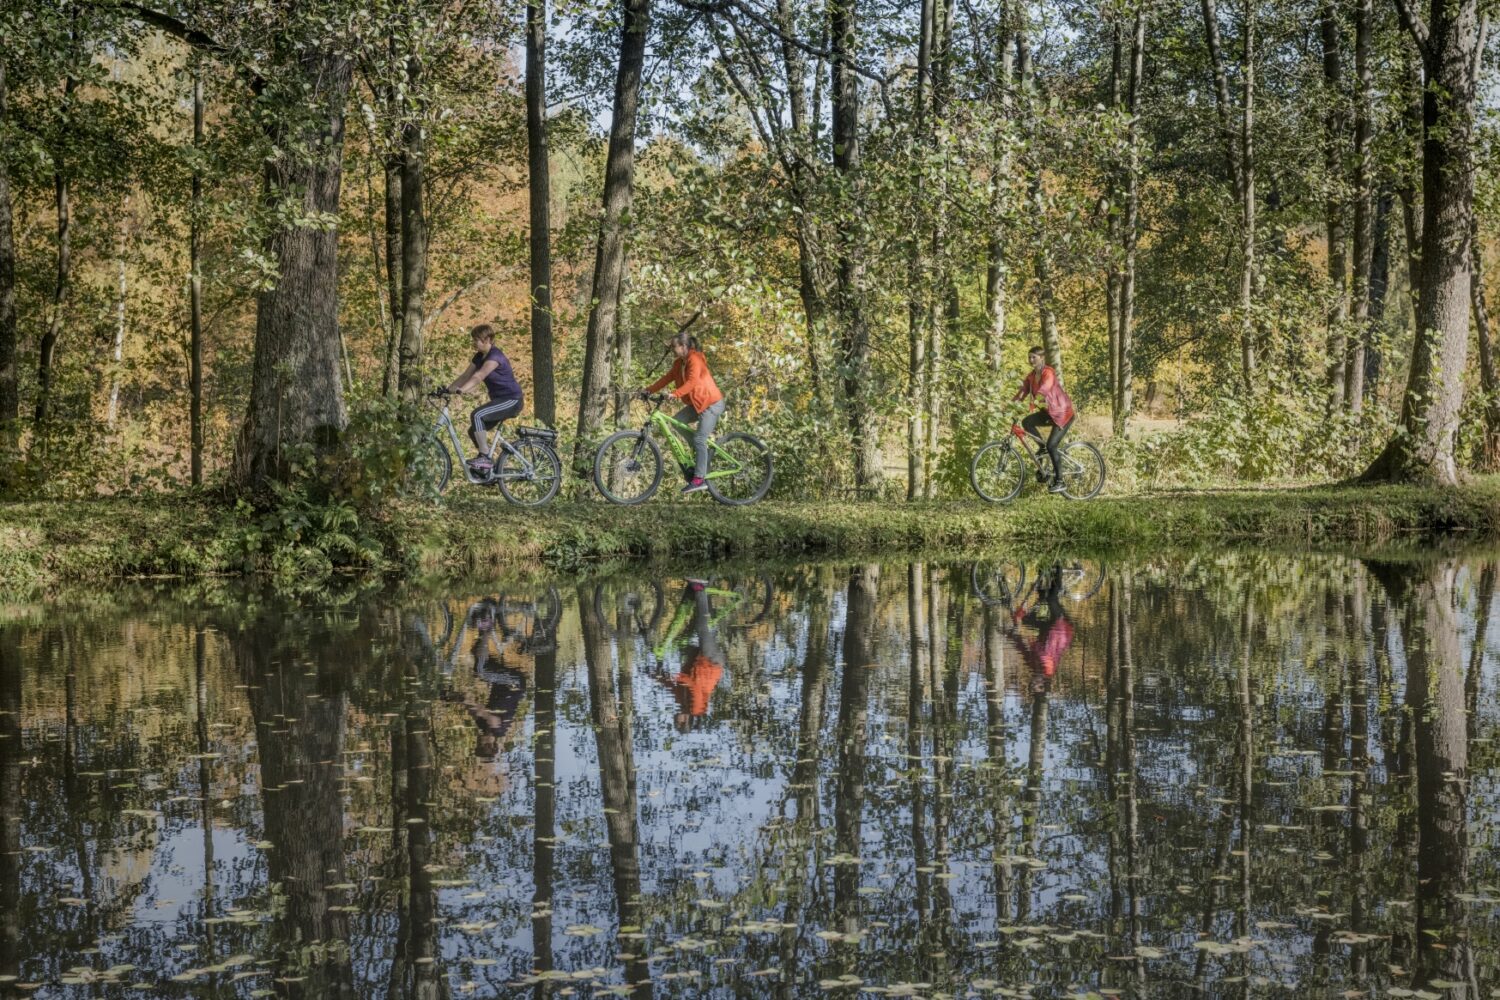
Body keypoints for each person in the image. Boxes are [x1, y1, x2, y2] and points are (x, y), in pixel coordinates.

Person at [640, 332, 724, 495]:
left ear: (684, 346)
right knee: (677, 421)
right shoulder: (679, 363)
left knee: (700, 438)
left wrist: (675, 394)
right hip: (697, 404)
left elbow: (693, 382)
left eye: (674, 346)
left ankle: (699, 479)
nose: (672, 349)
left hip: (711, 403)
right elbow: (667, 378)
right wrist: (648, 390)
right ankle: (699, 453)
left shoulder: (695, 359)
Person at [446, 324, 524, 473]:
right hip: (500, 400)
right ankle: (489, 469)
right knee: (473, 430)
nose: (474, 343)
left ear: (488, 339)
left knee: (477, 415)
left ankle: (485, 458)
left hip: (512, 400)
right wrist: (447, 389)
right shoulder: (479, 357)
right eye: (473, 340)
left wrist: (463, 389)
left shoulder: (495, 356)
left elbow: (479, 375)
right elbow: (465, 375)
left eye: (477, 339)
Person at [653, 580, 725, 731]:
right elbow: (695, 685)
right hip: (711, 662)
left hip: (699, 664)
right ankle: (700, 589)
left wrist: (658, 678)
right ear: (687, 720)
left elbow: (672, 688)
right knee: (701, 628)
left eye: (676, 722)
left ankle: (691, 592)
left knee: (680, 642)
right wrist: (677, 677)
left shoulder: (682, 702)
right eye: (680, 722)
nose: (677, 719)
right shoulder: (697, 708)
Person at [1013, 346, 1075, 493]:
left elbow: (1044, 390)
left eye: (1034, 357)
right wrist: (1009, 407)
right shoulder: (1031, 376)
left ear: (1042, 358)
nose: (1030, 360)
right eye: (1029, 357)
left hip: (1062, 413)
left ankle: (1060, 481)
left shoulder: (1049, 373)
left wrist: (1034, 402)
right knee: (1027, 422)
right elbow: (1021, 393)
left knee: (1052, 445)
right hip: (1047, 413)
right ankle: (1042, 448)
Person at [1006, 568, 1074, 692]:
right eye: (1036, 683)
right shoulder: (1049, 668)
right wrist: (1029, 639)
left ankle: (1044, 571)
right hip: (1061, 627)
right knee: (1051, 599)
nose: (1033, 680)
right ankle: (1058, 568)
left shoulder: (1033, 666)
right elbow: (1043, 650)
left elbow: (1022, 649)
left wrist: (1012, 637)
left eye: (1032, 682)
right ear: (1042, 681)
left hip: (1048, 628)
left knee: (1027, 619)